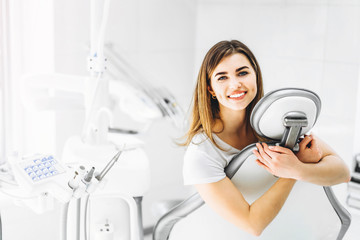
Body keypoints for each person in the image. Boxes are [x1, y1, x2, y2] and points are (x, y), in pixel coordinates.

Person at [182, 40, 350, 236]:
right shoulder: (202, 152)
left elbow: (342, 172)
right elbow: (252, 224)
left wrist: (299, 169)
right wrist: (291, 171)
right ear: (210, 88)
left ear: (255, 76)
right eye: (222, 77)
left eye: (242, 73)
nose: (235, 84)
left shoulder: (278, 122)